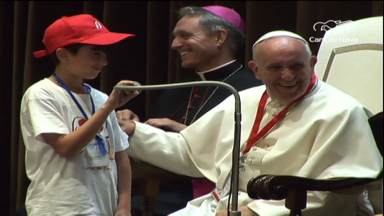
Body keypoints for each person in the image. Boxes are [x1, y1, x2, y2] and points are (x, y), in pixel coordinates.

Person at [117, 30, 383, 216]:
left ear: (312, 63)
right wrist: (134, 133)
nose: (288, 76)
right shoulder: (243, 99)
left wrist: (257, 212)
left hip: (288, 212)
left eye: (297, 66)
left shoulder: (342, 111)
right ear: (256, 69)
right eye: (275, 67)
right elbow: (190, 153)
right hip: (222, 207)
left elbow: (339, 191)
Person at [126, 5, 263, 216]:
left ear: (219, 37)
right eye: (175, 37)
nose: (175, 45)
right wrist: (134, 125)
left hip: (208, 198)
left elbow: (249, 151)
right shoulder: (177, 88)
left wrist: (185, 131)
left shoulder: (253, 90)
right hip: (148, 192)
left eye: (185, 36)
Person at [20, 14, 139, 216]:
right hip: (59, 208)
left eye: (104, 54)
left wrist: (124, 206)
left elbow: (120, 156)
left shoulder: (101, 98)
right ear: (64, 55)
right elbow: (66, 148)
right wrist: (109, 107)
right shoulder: (41, 93)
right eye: (95, 54)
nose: (104, 61)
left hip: (103, 207)